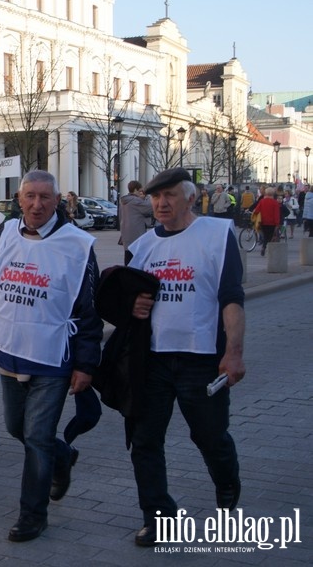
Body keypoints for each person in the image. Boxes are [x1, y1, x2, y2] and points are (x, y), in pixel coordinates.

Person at [0, 171, 103, 543]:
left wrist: (86, 364)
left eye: (45, 197)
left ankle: (32, 514)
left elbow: (89, 311)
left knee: (37, 436)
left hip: (53, 357)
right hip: (11, 352)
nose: (37, 204)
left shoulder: (78, 245)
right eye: (30, 197)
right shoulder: (5, 236)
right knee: (17, 429)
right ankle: (62, 457)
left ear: (57, 201)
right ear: (19, 199)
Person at [126, 167, 245, 547]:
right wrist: (135, 305)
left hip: (202, 359)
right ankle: (158, 516)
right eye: (156, 197)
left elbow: (231, 297)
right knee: (145, 440)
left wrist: (234, 353)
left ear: (190, 198)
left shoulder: (215, 234)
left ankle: (227, 482)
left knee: (209, 435)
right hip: (154, 361)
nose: (161, 203)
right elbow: (127, 302)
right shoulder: (143, 247)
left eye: (170, 195)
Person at [119, 180, 153, 264]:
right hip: (136, 232)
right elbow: (149, 207)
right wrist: (148, 197)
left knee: (128, 255)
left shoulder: (125, 201)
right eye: (140, 191)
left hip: (125, 231)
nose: (141, 193)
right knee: (136, 257)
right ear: (135, 190)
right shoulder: (135, 201)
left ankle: (127, 273)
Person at [252, 187, 281, 256]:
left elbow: (256, 210)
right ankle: (266, 248)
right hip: (272, 223)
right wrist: (277, 224)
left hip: (263, 221)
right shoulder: (275, 203)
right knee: (270, 236)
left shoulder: (262, 201)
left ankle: (264, 247)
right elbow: (276, 214)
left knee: (265, 236)